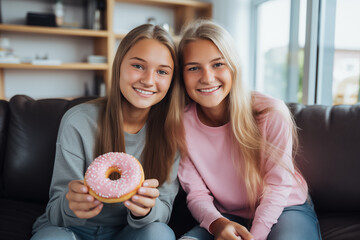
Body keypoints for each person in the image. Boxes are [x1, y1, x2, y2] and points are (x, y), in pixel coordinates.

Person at [31, 24, 186, 240]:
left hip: (128, 232)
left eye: (162, 71)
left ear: (171, 81)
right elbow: (55, 211)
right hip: (71, 231)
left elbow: (165, 209)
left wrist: (148, 209)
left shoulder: (171, 132)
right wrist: (70, 204)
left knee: (159, 234)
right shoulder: (78, 122)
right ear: (119, 65)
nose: (149, 80)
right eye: (138, 66)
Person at [177, 20, 322, 240]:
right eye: (194, 68)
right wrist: (218, 224)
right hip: (225, 215)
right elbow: (196, 194)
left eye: (218, 64)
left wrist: (255, 236)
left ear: (234, 67)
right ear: (182, 75)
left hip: (284, 207)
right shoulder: (180, 123)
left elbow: (277, 187)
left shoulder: (270, 112)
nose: (207, 77)